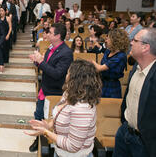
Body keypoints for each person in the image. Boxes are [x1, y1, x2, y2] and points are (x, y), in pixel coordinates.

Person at [25, 60, 102, 157]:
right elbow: (61, 114)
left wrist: (45, 132)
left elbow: (72, 146)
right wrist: (48, 125)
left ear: (75, 79)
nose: (66, 75)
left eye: (68, 73)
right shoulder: (69, 93)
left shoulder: (82, 110)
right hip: (61, 152)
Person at [28, 23, 73, 152]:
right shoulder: (51, 48)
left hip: (55, 92)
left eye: (50, 33)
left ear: (58, 36)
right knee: (38, 116)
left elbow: (57, 74)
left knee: (50, 120)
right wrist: (37, 61)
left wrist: (41, 62)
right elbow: (47, 67)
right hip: (45, 88)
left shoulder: (66, 53)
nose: (46, 34)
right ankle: (38, 140)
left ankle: (48, 144)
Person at [113, 28, 156, 157]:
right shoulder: (135, 68)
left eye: (135, 40)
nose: (131, 43)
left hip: (144, 142)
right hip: (125, 133)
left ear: (145, 47)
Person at [91, 29, 129, 98]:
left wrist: (91, 61)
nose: (106, 41)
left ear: (115, 40)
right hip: (102, 83)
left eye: (108, 39)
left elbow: (100, 68)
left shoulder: (121, 56)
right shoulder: (108, 51)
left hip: (112, 86)